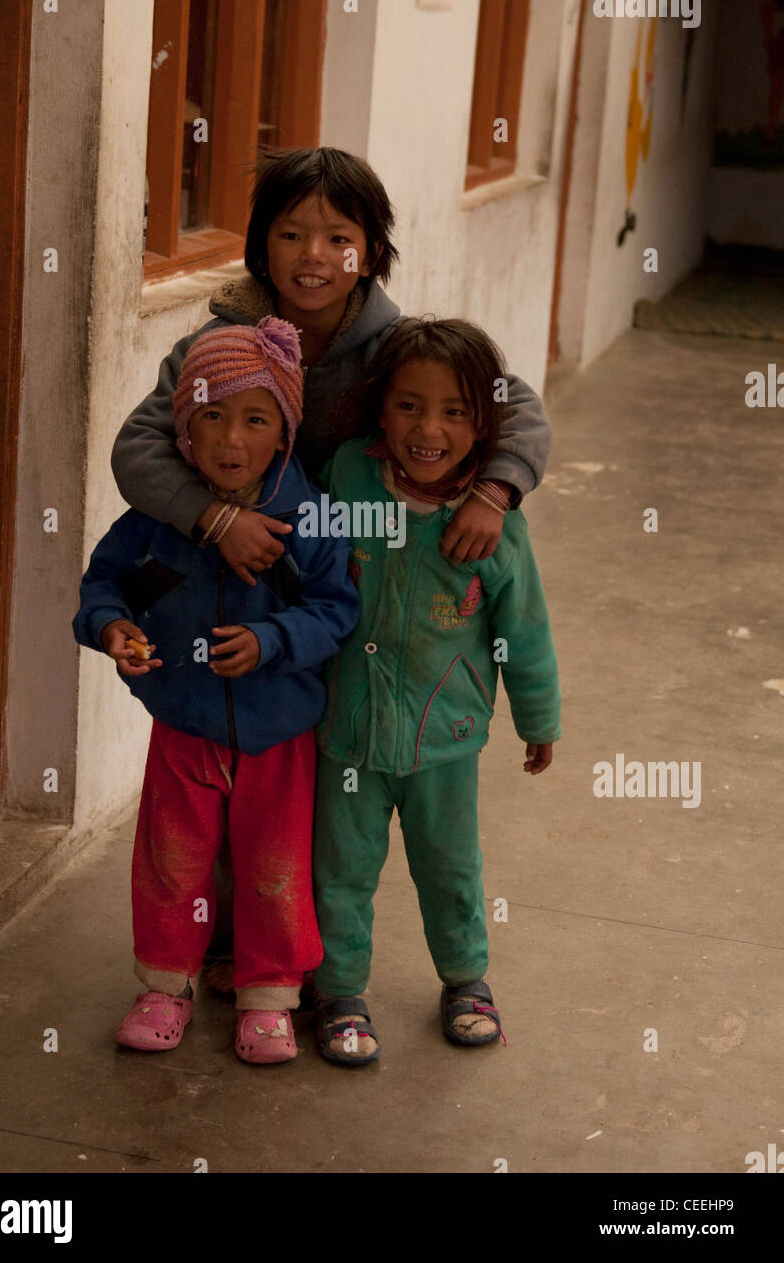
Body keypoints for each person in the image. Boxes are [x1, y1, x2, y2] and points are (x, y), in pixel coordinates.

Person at [111, 145, 553, 988]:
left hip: (346, 608)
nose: (313, 256)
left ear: (370, 252)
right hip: (232, 608)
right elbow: (138, 447)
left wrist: (494, 491)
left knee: (307, 801)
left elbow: (513, 405)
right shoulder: (219, 344)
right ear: (259, 247)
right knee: (239, 768)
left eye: (337, 238)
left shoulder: (391, 347)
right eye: (290, 234)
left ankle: (304, 966)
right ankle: (228, 945)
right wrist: (215, 517)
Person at [72, 317, 360, 1063]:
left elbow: (336, 612)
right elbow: (106, 586)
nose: (232, 441)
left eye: (255, 420)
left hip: (280, 738)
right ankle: (164, 987)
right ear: (183, 432)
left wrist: (272, 642)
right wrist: (111, 629)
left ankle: (269, 999)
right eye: (211, 417)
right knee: (170, 859)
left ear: (285, 434)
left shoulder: (313, 521)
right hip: (184, 728)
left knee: (274, 866)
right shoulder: (156, 526)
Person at [311, 317, 561, 1066]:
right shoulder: (348, 475)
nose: (429, 428)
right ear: (379, 410)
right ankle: (339, 991)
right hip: (344, 730)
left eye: (455, 412)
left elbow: (526, 630)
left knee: (449, 868)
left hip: (445, 736)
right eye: (409, 406)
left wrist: (537, 717)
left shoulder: (492, 524)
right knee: (340, 869)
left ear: (484, 426)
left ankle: (464, 980)